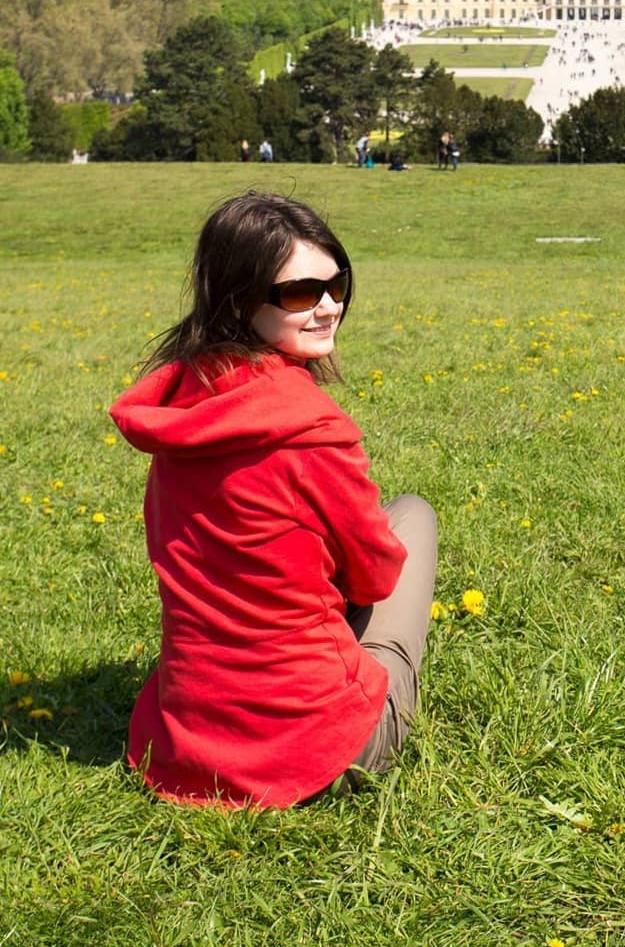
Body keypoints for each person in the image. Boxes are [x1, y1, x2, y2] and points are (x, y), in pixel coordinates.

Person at [109, 191, 437, 809]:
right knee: (413, 516)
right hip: (319, 749)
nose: (327, 307)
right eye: (297, 294)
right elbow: (375, 577)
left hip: (179, 750)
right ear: (240, 301)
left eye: (337, 284)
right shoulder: (312, 428)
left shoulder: (181, 408)